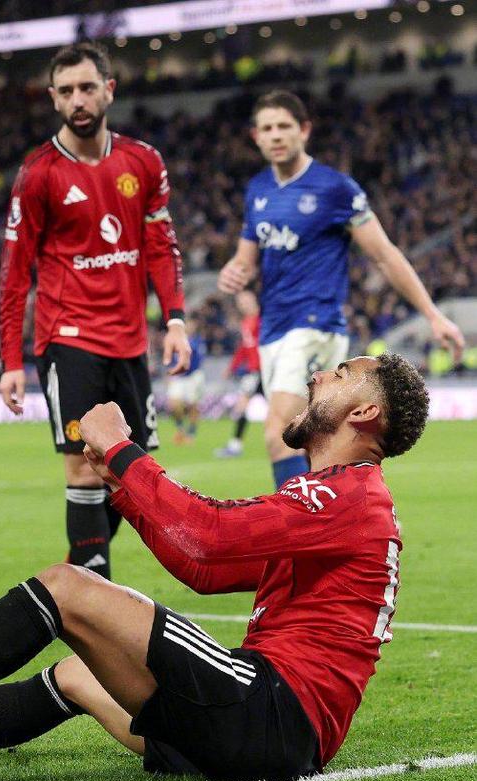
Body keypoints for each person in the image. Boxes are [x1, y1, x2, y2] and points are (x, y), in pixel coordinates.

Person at [0, 352, 430, 781]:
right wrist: (122, 486)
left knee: (68, 587)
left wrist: (122, 448)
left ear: (363, 412)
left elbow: (210, 538)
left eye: (341, 374)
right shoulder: (342, 500)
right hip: (265, 730)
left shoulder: (349, 498)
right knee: (77, 675)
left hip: (273, 713)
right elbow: (205, 571)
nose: (319, 375)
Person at [0, 41, 191, 580]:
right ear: (53, 99)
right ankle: (93, 595)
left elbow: (161, 246)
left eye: (86, 87)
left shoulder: (143, 161)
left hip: (130, 342)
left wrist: (175, 320)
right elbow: (15, 273)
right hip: (69, 338)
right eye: (66, 91)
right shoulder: (38, 173)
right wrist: (11, 359)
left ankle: (78, 572)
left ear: (109, 89)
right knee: (84, 470)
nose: (77, 100)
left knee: (129, 472)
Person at [217, 90, 463, 490]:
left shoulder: (335, 188)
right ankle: (335, 519)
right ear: (255, 136)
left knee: (281, 432)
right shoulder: (258, 190)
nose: (276, 135)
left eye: (284, 126)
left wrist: (432, 315)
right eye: (267, 128)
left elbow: (384, 254)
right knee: (309, 443)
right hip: (273, 327)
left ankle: (295, 527)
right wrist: (233, 271)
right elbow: (244, 260)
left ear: (304, 130)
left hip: (314, 321)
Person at [214, 290, 262, 458]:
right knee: (241, 406)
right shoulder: (247, 322)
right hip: (254, 372)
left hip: (267, 371)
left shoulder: (263, 320)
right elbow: (244, 347)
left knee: (283, 410)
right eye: (241, 303)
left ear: (254, 299)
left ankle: (301, 444)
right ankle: (235, 446)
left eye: (246, 301)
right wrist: (232, 367)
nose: (243, 305)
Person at [166, 315, 206, 444]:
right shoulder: (175, 340)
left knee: (193, 405)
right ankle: (180, 430)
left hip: (193, 376)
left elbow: (197, 359)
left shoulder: (198, 341)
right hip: (178, 376)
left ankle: (191, 433)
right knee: (174, 404)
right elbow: (171, 359)